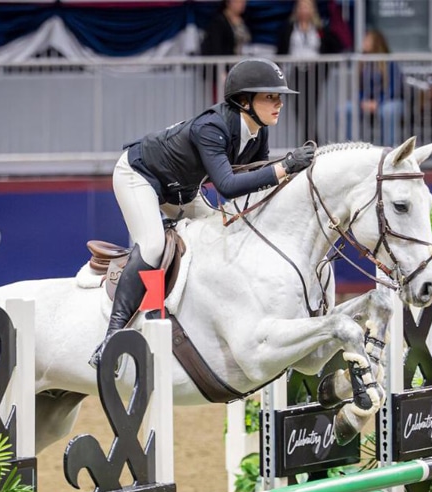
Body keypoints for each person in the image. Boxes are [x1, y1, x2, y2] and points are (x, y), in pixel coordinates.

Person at [89, 58, 316, 368]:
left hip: (183, 189)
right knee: (153, 245)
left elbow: (258, 184)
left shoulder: (258, 130)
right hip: (139, 175)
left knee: (221, 232)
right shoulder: (212, 127)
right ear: (243, 101)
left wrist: (295, 179)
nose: (279, 103)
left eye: (279, 97)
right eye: (270, 97)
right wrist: (286, 165)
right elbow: (228, 185)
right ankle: (112, 337)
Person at [277, 0, 346, 143]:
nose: (304, 10)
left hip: (314, 73)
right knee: (300, 110)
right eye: (301, 7)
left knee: (311, 110)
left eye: (307, 7)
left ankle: (310, 143)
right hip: (295, 72)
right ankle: (313, 142)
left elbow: (334, 46)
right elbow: (281, 50)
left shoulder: (319, 28)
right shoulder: (289, 28)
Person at [340, 28, 404, 146]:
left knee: (388, 110)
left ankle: (388, 148)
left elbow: (394, 88)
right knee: (345, 109)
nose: (363, 43)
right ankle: (349, 146)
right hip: (367, 102)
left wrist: (378, 102)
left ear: (376, 42)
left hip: (389, 101)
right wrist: (362, 102)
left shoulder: (389, 63)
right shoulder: (363, 63)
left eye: (367, 40)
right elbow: (359, 89)